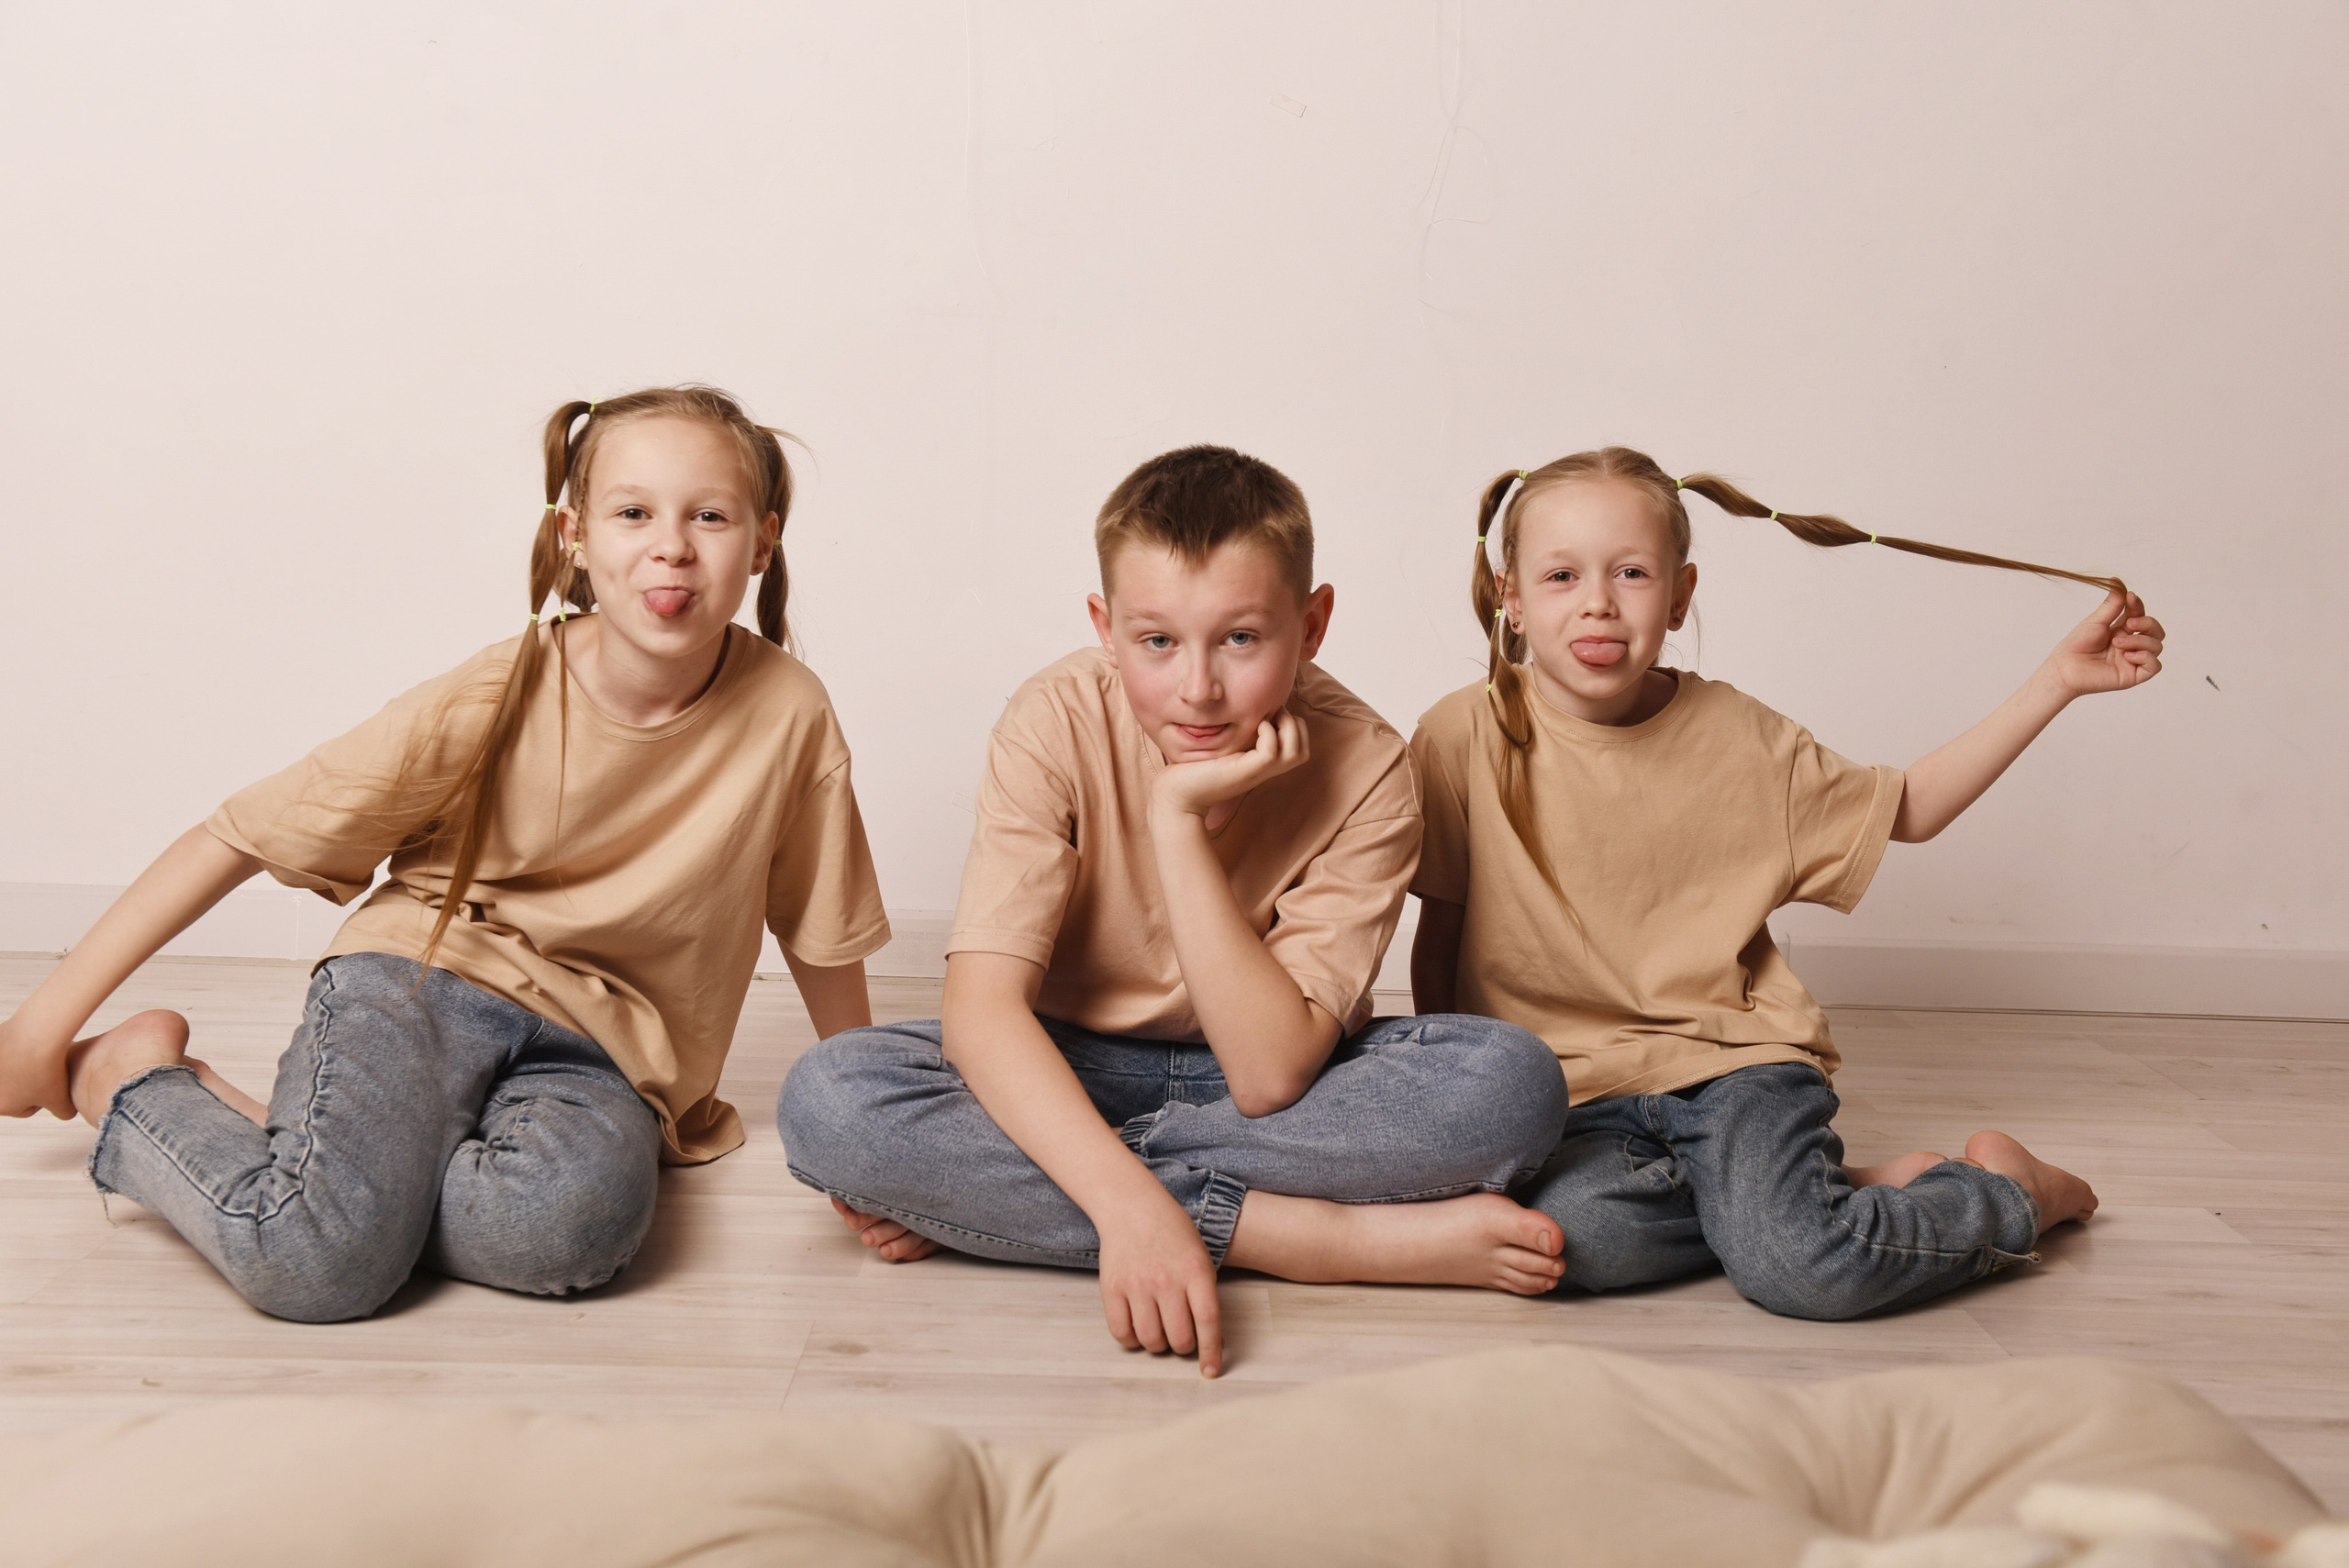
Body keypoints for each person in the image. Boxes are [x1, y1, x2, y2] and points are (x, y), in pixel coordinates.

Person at [0, 386, 889, 1322]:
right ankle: (133, 1079)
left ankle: (338, 1180)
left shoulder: (789, 710)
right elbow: (242, 829)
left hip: (607, 1045)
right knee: (315, 1265)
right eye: (633, 512)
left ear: (760, 541)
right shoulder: (502, 687)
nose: (671, 543)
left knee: (568, 1233)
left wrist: (869, 1138)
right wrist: (41, 1026)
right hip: (421, 979)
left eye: (708, 515)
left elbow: (819, 926)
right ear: (576, 535)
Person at [780, 445, 1569, 1377]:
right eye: (1157, 641)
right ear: (1105, 627)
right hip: (1069, 1055)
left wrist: (1177, 821)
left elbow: (1270, 1073)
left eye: (1240, 638)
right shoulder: (1054, 720)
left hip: (1288, 1089)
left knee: (1511, 1085)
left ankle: (1009, 1204)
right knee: (832, 1096)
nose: (1197, 688)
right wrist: (1133, 1211)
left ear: (1310, 624)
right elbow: (983, 1013)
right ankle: (1305, 1237)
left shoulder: (1369, 767)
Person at [1409, 447, 2165, 1319]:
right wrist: (1456, 1106)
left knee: (1801, 1268)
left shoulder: (1737, 735)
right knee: (1567, 1244)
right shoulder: (1461, 734)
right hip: (1573, 1093)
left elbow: (1908, 806)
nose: (1598, 601)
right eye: (1561, 574)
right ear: (1510, 595)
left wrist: (2057, 682)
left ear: (1681, 593)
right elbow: (1444, 930)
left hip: (1735, 1067)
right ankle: (1800, 1190)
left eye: (1631, 572)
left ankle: (2010, 1193)